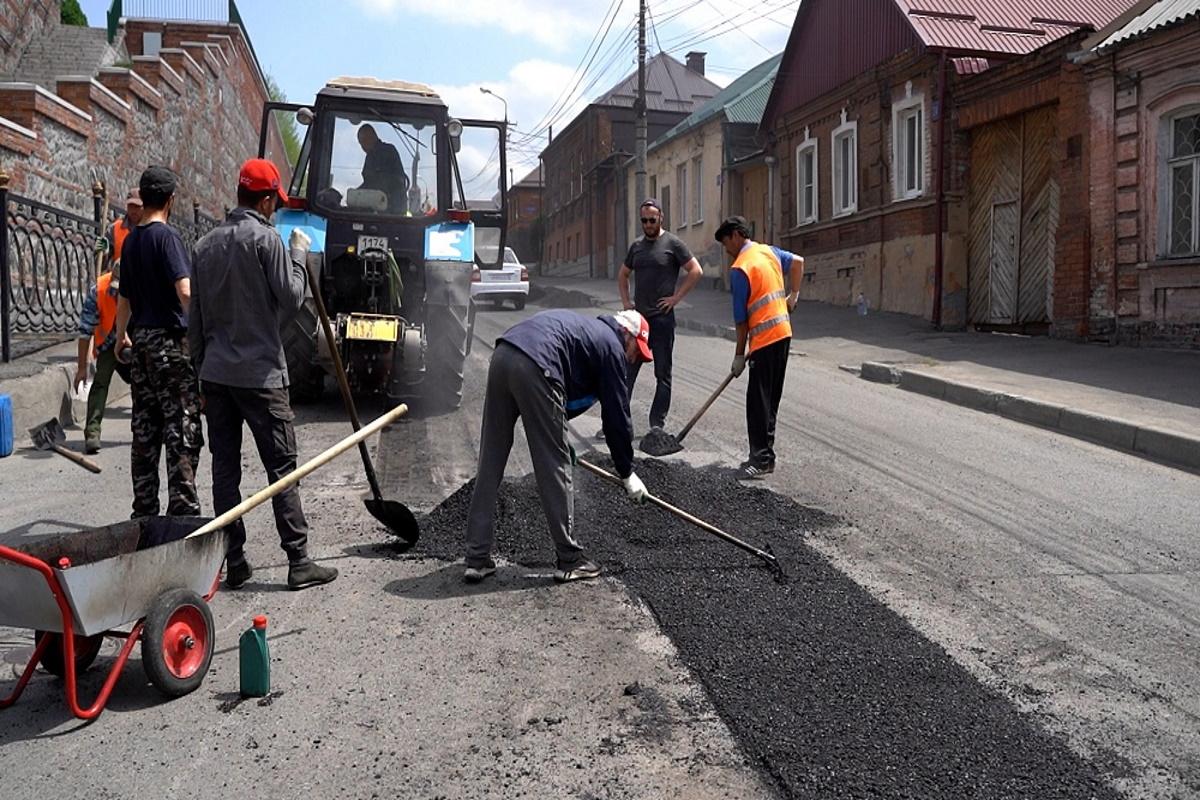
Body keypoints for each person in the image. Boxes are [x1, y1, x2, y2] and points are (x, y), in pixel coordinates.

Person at [188, 158, 339, 592]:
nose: (275, 209)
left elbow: (194, 322)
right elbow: (292, 301)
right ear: (268, 199)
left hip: (217, 376)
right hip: (262, 377)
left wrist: (201, 376)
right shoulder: (267, 240)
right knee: (282, 469)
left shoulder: (205, 246)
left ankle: (233, 560)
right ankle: (299, 561)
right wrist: (297, 255)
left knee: (225, 470)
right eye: (275, 202)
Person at [464, 309, 653, 584]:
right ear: (628, 335)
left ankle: (476, 558)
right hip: (536, 365)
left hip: (504, 355)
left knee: (490, 460)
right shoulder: (612, 347)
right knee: (554, 466)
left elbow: (563, 394)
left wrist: (558, 432)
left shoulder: (587, 332)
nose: (635, 359)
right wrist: (626, 472)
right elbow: (616, 417)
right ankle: (570, 559)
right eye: (638, 350)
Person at [113, 166, 203, 517]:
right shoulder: (167, 238)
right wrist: (201, 334)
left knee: (145, 428)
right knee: (180, 425)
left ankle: (145, 510)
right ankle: (182, 510)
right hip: (170, 341)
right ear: (169, 200)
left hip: (142, 341)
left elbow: (124, 297)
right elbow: (184, 291)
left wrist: (121, 335)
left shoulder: (132, 239)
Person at [714, 216, 804, 480]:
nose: (727, 249)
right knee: (770, 400)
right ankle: (768, 457)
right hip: (783, 333)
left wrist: (739, 356)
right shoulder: (769, 252)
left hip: (765, 340)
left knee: (757, 403)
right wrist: (794, 295)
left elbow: (741, 322)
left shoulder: (741, 268)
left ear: (736, 235)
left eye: (726, 242)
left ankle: (759, 459)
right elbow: (799, 262)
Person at [615, 198, 702, 433]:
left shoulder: (673, 243)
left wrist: (676, 298)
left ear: (661, 217)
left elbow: (696, 270)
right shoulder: (636, 247)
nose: (648, 224)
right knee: (627, 371)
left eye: (652, 220)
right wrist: (626, 302)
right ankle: (619, 422)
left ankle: (657, 425)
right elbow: (623, 275)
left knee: (662, 373)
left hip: (662, 320)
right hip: (639, 323)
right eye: (644, 220)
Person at [73, 189, 142, 453]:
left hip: (133, 336)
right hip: (107, 339)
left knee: (141, 379)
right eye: (131, 206)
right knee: (100, 380)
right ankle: (92, 432)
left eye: (138, 206)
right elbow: (84, 331)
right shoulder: (98, 291)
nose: (133, 211)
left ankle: (142, 429)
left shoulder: (142, 292)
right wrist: (81, 367)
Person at [357, 124, 409, 213]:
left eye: (364, 142)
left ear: (372, 137)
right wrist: (356, 194)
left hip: (391, 211)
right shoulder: (371, 156)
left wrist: (359, 194)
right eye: (361, 144)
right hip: (382, 207)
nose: (363, 147)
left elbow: (374, 182)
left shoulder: (386, 152)